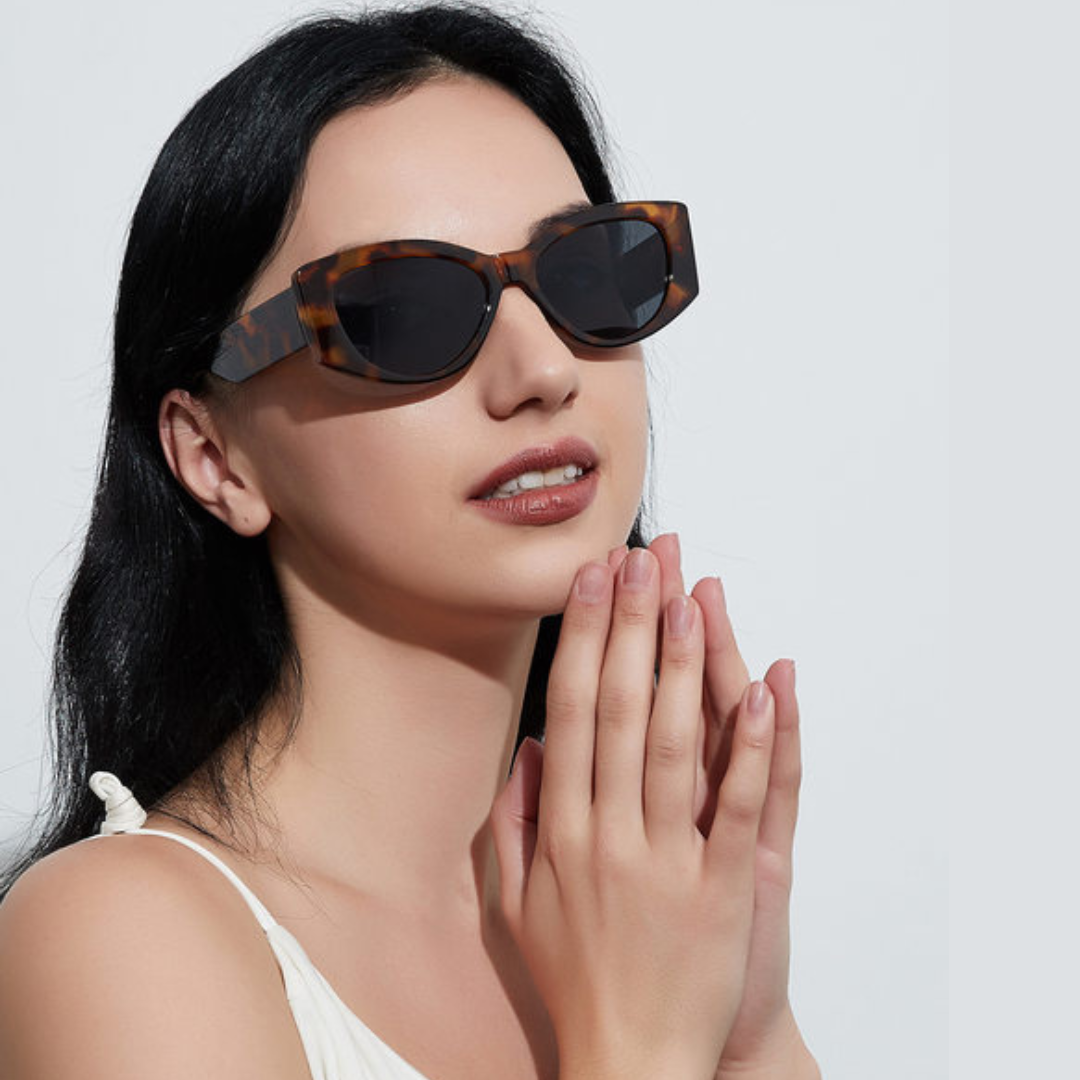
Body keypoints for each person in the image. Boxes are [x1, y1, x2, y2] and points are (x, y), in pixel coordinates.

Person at [0, 5, 818, 1078]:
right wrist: (649, 1043)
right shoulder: (117, 940)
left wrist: (748, 1022)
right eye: (400, 311)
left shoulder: (651, 912)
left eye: (586, 272)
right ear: (215, 457)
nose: (543, 371)